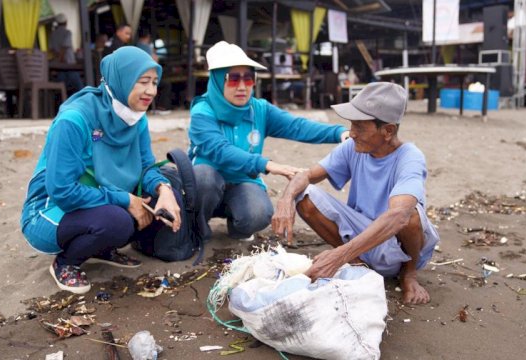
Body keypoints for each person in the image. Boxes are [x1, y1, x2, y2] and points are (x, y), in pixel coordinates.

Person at [20, 46, 181, 294]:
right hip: (48, 212)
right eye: (143, 82)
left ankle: (101, 249)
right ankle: (65, 263)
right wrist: (125, 199)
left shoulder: (135, 117)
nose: (151, 91)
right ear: (122, 79)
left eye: (155, 82)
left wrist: (165, 190)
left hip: (95, 202)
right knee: (117, 221)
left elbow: (146, 166)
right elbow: (62, 191)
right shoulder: (74, 120)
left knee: (162, 202)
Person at [271, 82, 440, 305]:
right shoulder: (353, 147)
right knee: (304, 194)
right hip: (362, 237)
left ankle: (408, 275)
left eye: (359, 127)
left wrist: (339, 255)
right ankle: (360, 265)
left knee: (409, 214)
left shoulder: (409, 157)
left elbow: (399, 216)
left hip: (398, 251)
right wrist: (286, 200)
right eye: (351, 125)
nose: (351, 133)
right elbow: (306, 176)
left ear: (388, 131)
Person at [189, 41, 349, 241]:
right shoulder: (202, 111)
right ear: (218, 80)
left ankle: (238, 227)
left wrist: (339, 132)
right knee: (203, 177)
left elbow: (297, 126)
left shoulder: (259, 109)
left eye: (249, 78)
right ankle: (197, 227)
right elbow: (220, 150)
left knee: (258, 214)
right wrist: (268, 165)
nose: (242, 86)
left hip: (243, 180)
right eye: (233, 79)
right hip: (209, 182)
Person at [49, 14, 84, 95]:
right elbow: (64, 49)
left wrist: (57, 62)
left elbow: (52, 50)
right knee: (78, 86)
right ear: (66, 22)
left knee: (63, 87)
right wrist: (61, 61)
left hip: (58, 68)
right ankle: (85, 102)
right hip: (68, 66)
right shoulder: (67, 33)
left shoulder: (52, 34)